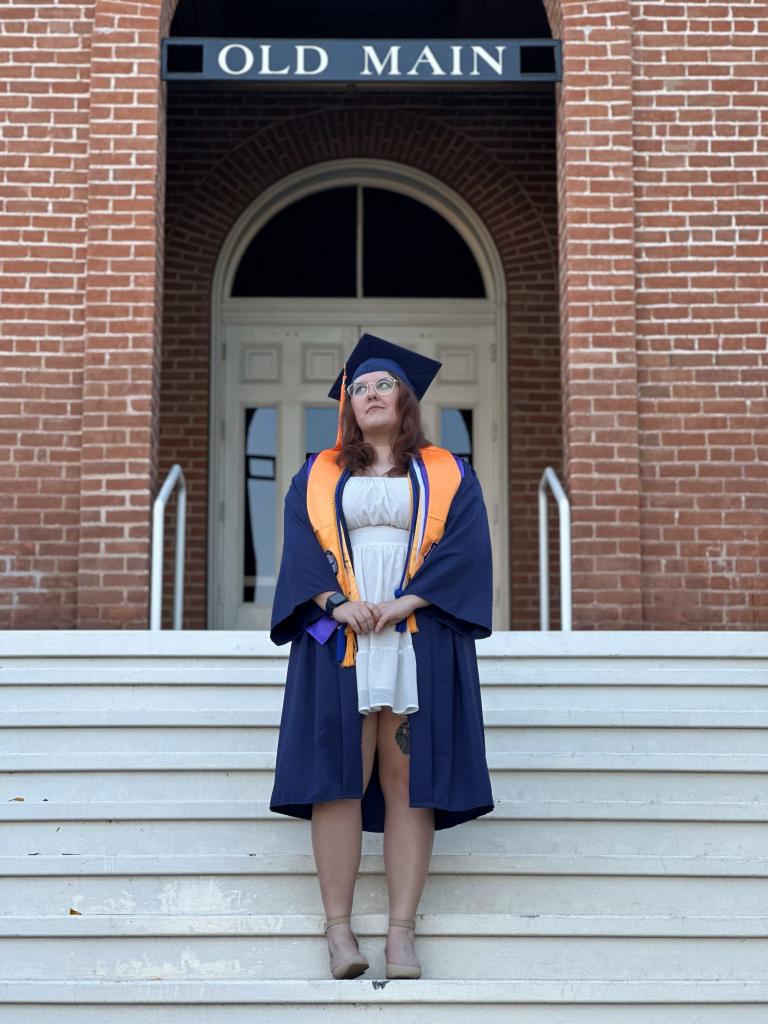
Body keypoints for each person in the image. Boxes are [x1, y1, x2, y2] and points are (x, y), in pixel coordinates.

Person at [269, 332, 494, 981]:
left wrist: (401, 604)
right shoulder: (317, 473)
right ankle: (339, 932)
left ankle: (400, 933)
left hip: (416, 631)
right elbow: (299, 548)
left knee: (407, 781)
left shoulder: (448, 471)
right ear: (347, 404)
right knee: (338, 778)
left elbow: (466, 548)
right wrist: (336, 604)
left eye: (383, 385)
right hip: (334, 634)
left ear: (406, 399)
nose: (370, 394)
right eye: (360, 387)